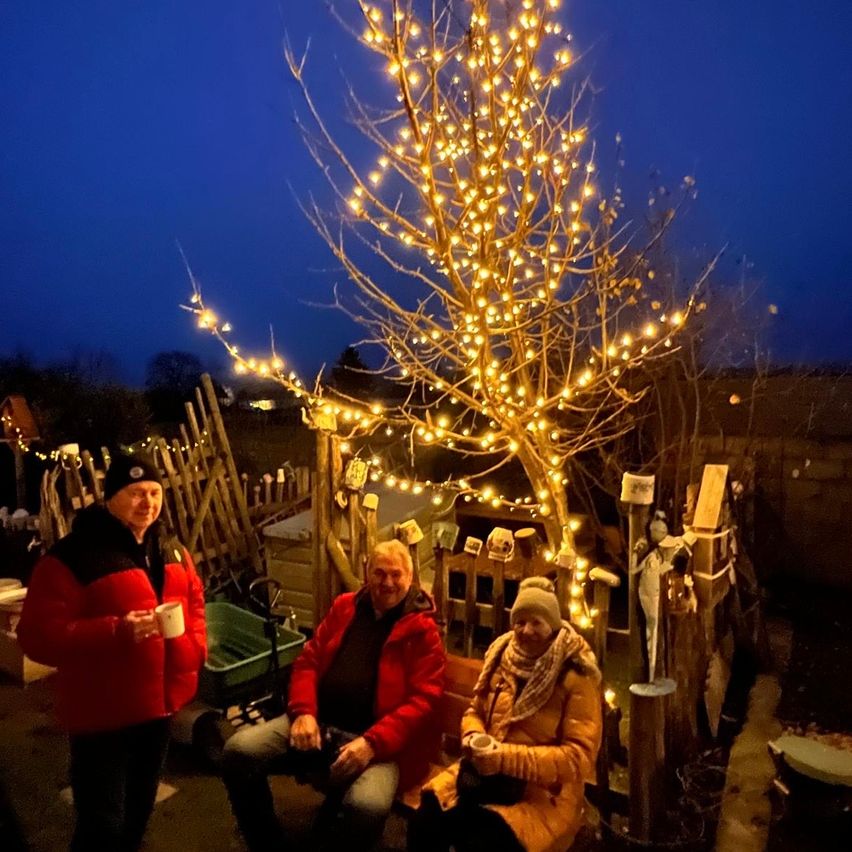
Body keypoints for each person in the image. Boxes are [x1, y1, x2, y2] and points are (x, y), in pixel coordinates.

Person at [17, 453, 207, 852]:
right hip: (102, 712)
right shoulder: (73, 557)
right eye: (136, 493)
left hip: (158, 708)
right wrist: (115, 631)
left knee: (139, 811)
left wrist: (193, 649)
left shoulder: (171, 549)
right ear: (109, 499)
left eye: (154, 493)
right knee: (102, 823)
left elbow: (196, 606)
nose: (148, 503)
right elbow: (36, 638)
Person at [222, 539, 446, 852]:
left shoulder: (423, 633)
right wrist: (303, 712)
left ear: (410, 579)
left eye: (397, 575)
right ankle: (265, 840)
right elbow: (308, 661)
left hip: (379, 746)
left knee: (366, 806)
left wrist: (371, 743)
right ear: (367, 573)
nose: (388, 583)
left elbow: (423, 701)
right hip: (319, 724)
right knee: (238, 751)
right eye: (379, 573)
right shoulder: (345, 607)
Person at [409, 576, 602, 852]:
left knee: (483, 842)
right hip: (484, 778)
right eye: (520, 621)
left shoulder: (575, 675)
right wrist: (473, 733)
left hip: (542, 796)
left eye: (537, 622)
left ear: (554, 626)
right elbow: (475, 710)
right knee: (424, 820)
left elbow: (578, 759)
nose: (526, 630)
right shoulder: (503, 658)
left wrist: (504, 760)